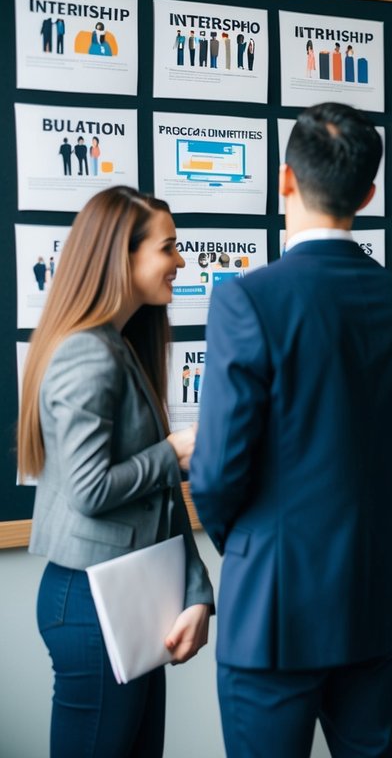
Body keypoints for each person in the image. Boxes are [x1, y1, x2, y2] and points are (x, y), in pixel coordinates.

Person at [190, 102, 392, 758]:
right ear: (369, 193)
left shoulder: (249, 298)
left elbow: (215, 476)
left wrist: (251, 546)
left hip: (276, 596)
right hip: (372, 586)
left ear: (284, 181)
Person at [18, 187, 213, 757]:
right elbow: (90, 489)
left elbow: (160, 505)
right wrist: (171, 454)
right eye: (168, 248)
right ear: (120, 258)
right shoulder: (86, 352)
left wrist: (197, 594)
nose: (181, 261)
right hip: (88, 603)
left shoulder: (122, 345)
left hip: (132, 595)